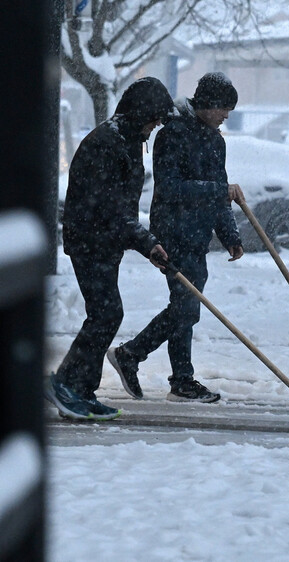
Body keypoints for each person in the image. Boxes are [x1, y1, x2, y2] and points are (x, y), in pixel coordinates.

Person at [107, 72, 245, 403]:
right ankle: (142, 360)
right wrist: (217, 191)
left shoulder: (216, 141)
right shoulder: (171, 135)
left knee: (185, 307)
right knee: (187, 308)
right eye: (224, 108)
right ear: (208, 104)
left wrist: (230, 235)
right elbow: (170, 188)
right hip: (173, 233)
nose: (227, 115)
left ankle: (170, 375)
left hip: (197, 238)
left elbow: (219, 192)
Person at [45, 77, 174, 421]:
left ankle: (81, 390)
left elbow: (121, 212)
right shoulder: (107, 143)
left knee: (105, 313)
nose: (155, 127)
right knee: (106, 313)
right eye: (154, 120)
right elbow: (112, 210)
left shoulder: (128, 139)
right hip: (90, 239)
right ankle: (66, 385)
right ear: (140, 113)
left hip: (105, 240)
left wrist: (145, 243)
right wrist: (148, 244)